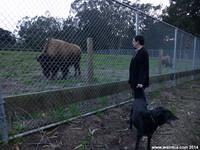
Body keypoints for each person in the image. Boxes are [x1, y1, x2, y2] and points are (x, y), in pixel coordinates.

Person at [128, 35, 149, 101]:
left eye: (133, 41)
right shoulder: (137, 51)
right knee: (137, 97)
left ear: (138, 42)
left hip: (139, 81)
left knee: (140, 97)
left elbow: (143, 68)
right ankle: (139, 108)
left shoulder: (143, 52)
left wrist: (140, 82)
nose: (132, 43)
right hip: (135, 79)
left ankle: (142, 109)